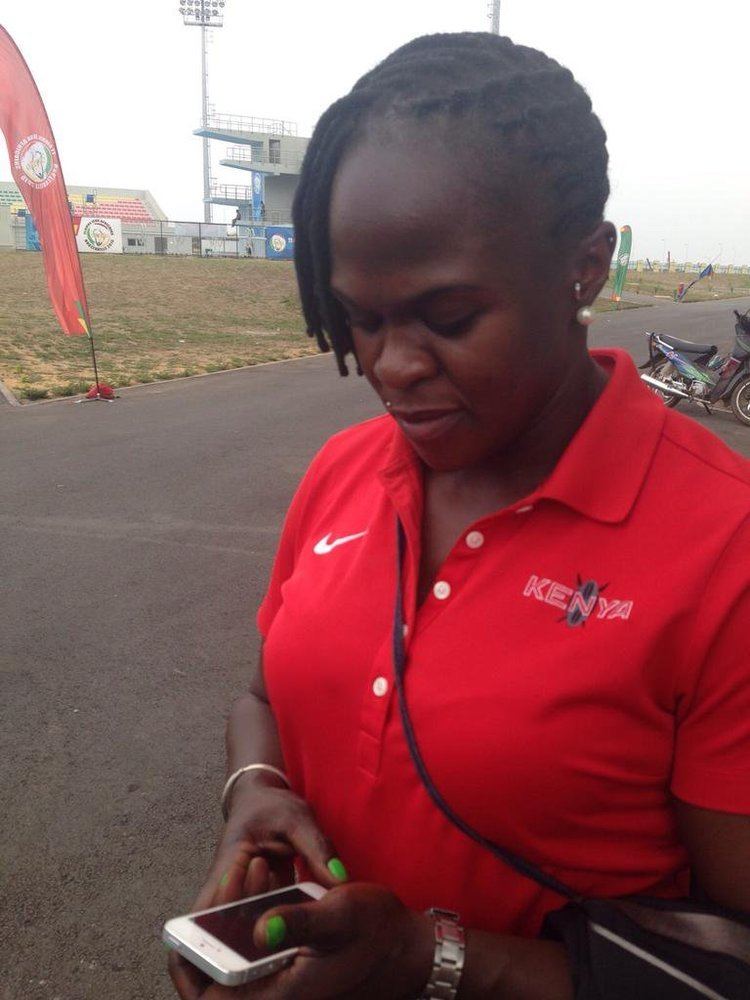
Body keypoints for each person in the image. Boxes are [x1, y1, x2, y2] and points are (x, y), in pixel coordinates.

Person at [169, 32, 750, 1000]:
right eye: (361, 316)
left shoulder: (726, 549)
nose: (393, 366)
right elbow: (266, 696)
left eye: (447, 317)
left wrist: (430, 962)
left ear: (586, 266)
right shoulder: (344, 471)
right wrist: (255, 789)